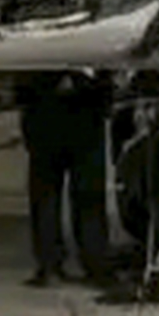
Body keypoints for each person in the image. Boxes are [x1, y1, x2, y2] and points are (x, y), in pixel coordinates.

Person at [14, 69, 114, 283]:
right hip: (77, 113)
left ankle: (52, 262)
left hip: (52, 113)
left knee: (50, 196)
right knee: (84, 196)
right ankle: (92, 262)